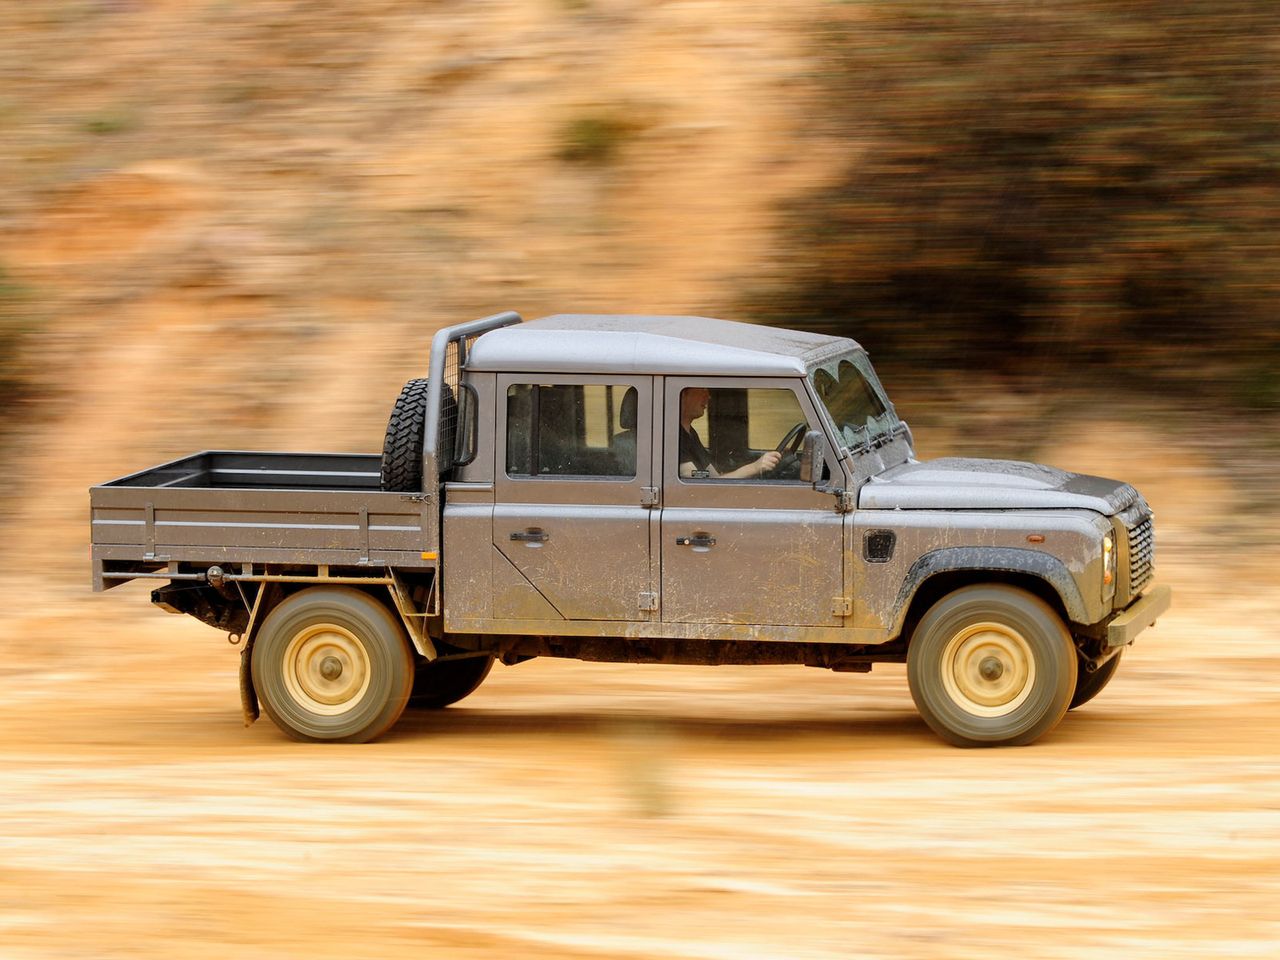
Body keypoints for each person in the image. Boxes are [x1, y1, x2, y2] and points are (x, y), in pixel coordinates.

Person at [678, 387, 781, 479]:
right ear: (682, 395)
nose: (708, 396)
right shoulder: (675, 438)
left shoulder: (691, 433)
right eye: (702, 390)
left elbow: (712, 477)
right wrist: (755, 467)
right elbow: (696, 481)